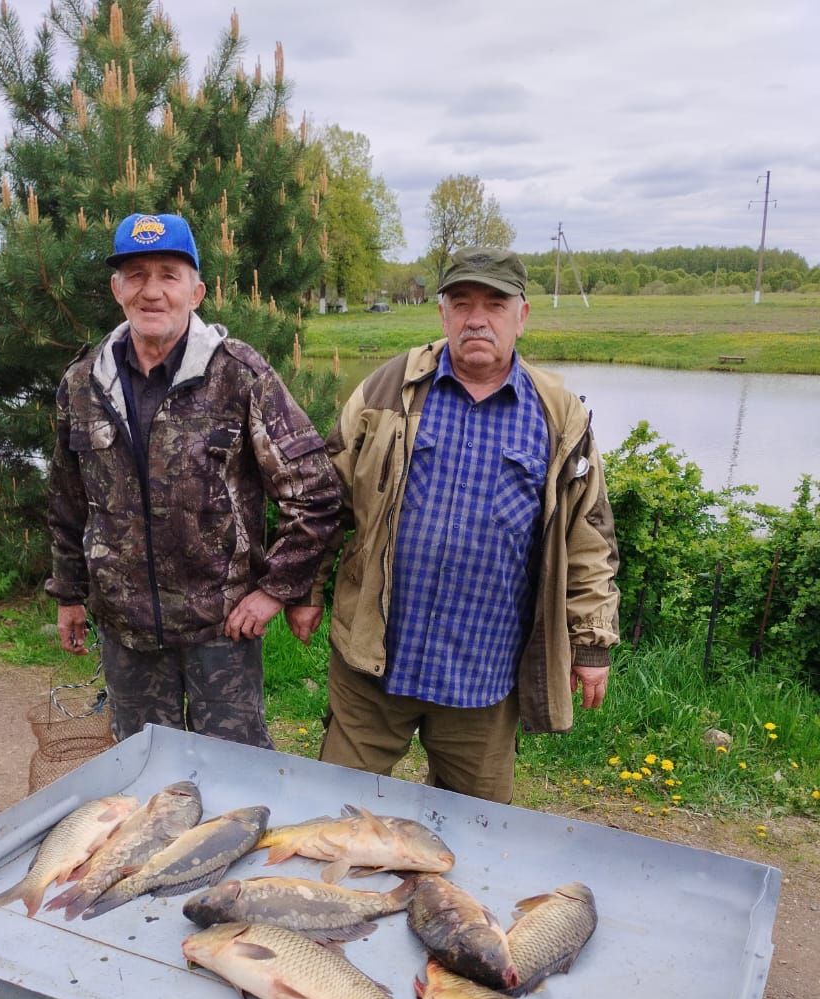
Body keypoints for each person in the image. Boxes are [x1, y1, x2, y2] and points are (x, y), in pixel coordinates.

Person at [288, 245, 619, 803]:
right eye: (462, 303)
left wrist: (591, 643)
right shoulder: (385, 390)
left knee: (476, 833)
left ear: (521, 315)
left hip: (483, 675)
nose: (476, 319)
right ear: (443, 313)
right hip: (374, 662)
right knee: (337, 815)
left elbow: (588, 537)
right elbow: (327, 497)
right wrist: (305, 589)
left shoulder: (559, 415)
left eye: (495, 304)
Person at [46, 211, 343, 746]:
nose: (151, 291)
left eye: (169, 275)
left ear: (196, 291)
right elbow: (68, 501)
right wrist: (69, 595)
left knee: (235, 777)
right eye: (136, 275)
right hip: (127, 633)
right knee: (144, 774)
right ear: (117, 290)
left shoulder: (240, 376)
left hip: (221, 631)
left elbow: (316, 492)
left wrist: (274, 590)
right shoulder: (82, 383)